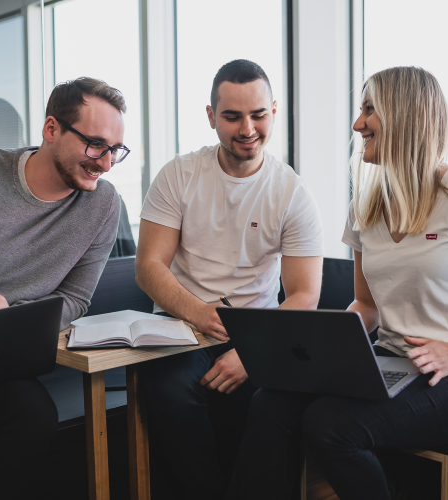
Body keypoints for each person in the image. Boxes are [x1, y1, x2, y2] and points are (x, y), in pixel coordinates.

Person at [224, 66, 448, 500]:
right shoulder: (367, 207)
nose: (358, 124)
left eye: (369, 110)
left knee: (332, 428)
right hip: (394, 360)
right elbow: (366, 305)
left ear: (406, 116)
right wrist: (327, 352)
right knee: (270, 402)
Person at [135, 59, 324, 500]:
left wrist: (253, 353)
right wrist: (200, 313)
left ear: (273, 112)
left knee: (274, 403)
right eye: (233, 116)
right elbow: (149, 266)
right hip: (180, 325)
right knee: (170, 388)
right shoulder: (178, 175)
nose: (247, 128)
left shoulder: (292, 193)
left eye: (258, 115)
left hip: (258, 332)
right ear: (210, 116)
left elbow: (304, 294)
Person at [0, 77, 128, 499]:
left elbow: (76, 299)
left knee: (31, 415)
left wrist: (9, 315)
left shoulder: (103, 205)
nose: (106, 163)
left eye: (115, 150)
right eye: (95, 144)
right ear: (51, 129)